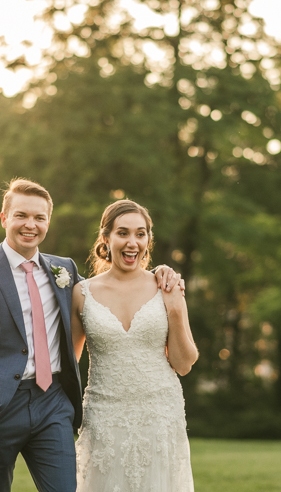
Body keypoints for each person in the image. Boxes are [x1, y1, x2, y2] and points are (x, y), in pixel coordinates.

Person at [0, 179, 181, 492]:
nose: (30, 225)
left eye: (39, 218)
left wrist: (161, 272)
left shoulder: (63, 270)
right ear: (4, 218)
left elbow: (107, 291)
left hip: (52, 403)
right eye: (21, 215)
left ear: (48, 222)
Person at [71, 199, 198, 492]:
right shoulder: (82, 293)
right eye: (123, 233)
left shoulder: (166, 286)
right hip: (104, 417)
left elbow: (183, 363)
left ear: (148, 240)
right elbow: (69, 364)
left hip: (160, 414)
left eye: (140, 234)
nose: (132, 243)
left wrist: (175, 308)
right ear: (106, 238)